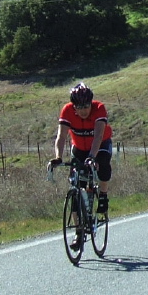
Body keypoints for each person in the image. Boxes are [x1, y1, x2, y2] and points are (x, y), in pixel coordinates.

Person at [47, 82, 113, 249]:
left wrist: (92, 156)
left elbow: (98, 135)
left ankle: (103, 195)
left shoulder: (99, 108)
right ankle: (79, 232)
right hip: (79, 148)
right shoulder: (67, 110)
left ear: (91, 103)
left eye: (86, 106)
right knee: (76, 186)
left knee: (103, 161)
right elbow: (61, 136)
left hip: (100, 145)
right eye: (79, 107)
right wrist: (58, 157)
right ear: (73, 106)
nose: (83, 110)